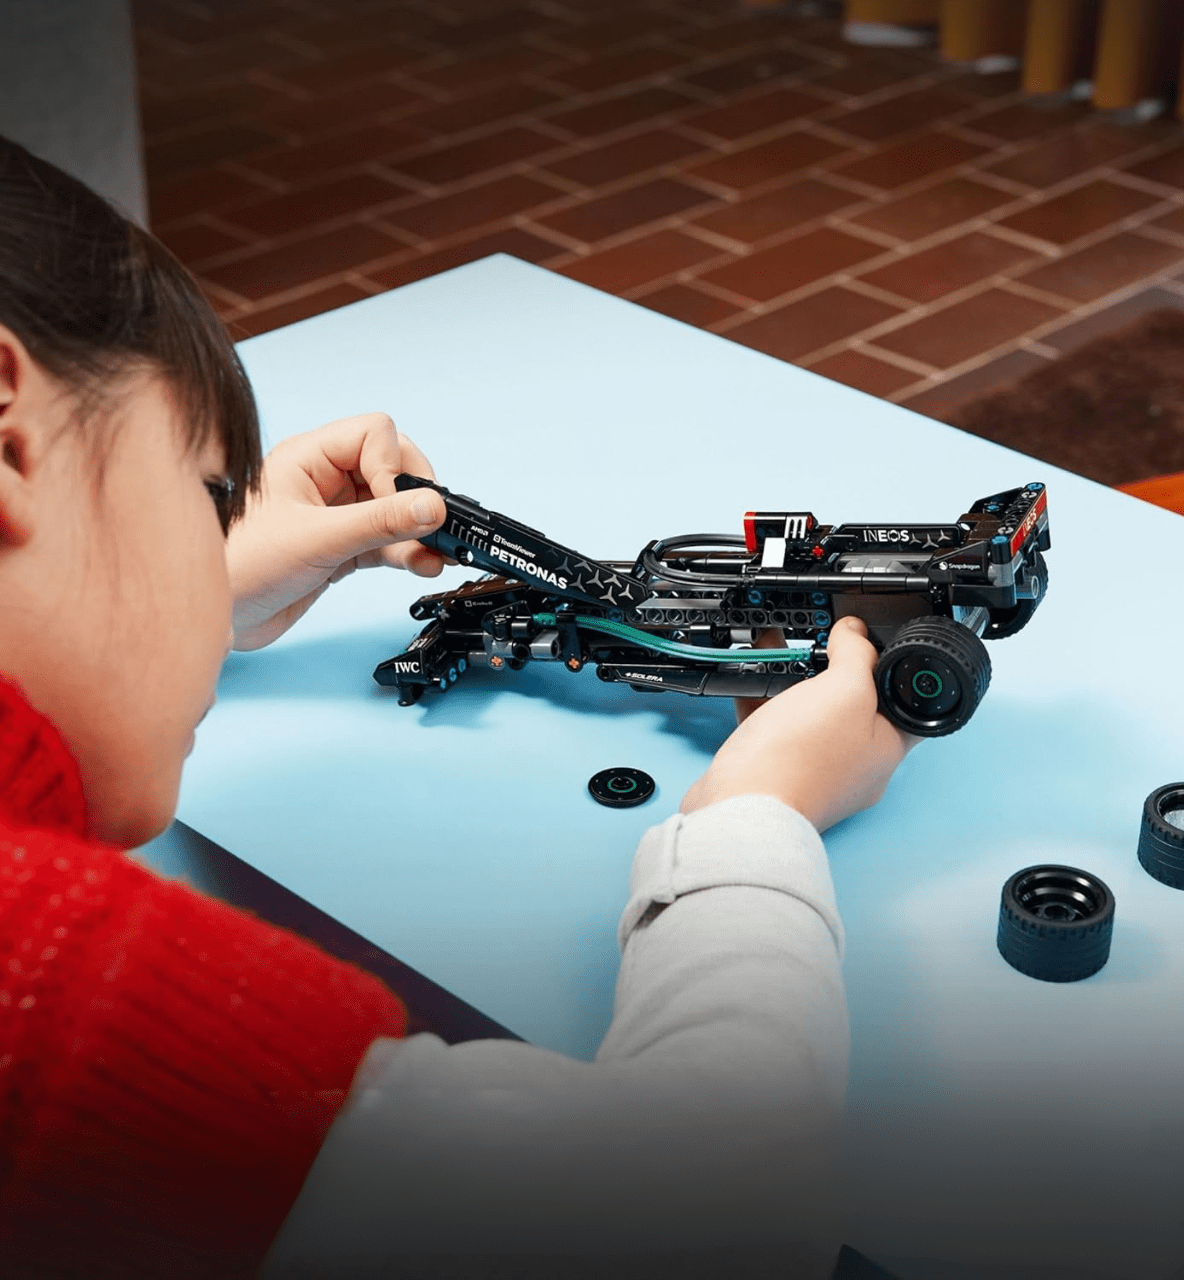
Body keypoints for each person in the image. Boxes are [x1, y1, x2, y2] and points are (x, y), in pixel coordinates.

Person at [0, 136, 916, 1279]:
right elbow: (716, 1219)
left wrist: (193, 585)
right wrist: (756, 817)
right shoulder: (61, 1002)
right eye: (208, 492)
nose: (219, 528)